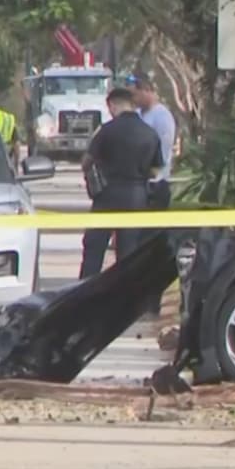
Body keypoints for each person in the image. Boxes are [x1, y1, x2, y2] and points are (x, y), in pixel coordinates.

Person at [79, 87, 163, 279]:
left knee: (94, 248)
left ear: (113, 105)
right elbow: (156, 170)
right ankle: (126, 298)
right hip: (136, 197)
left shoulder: (106, 131)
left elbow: (86, 162)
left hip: (107, 195)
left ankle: (83, 290)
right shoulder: (149, 133)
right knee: (129, 254)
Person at [129, 73, 178, 317]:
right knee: (136, 246)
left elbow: (162, 155)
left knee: (151, 247)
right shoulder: (139, 116)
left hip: (155, 187)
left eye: (135, 93)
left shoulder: (162, 117)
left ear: (146, 90)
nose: (133, 98)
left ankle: (152, 302)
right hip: (139, 188)